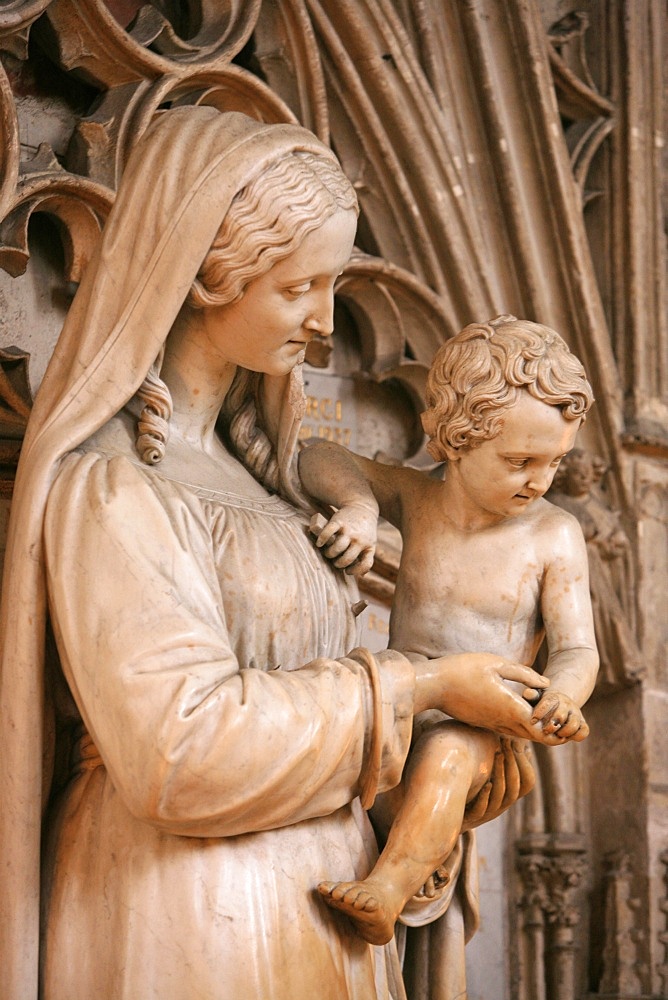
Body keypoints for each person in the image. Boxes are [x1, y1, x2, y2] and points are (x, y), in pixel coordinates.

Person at [0, 111, 552, 1000]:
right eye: (300, 287)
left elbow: (328, 745)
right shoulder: (111, 488)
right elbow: (177, 753)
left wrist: (442, 768)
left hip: (322, 915)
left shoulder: (287, 495)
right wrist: (418, 688)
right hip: (184, 906)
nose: (325, 321)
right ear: (206, 275)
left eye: (333, 285)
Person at [299, 315, 600, 946]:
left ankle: (386, 890)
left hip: (483, 725)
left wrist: (562, 696)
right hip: (398, 708)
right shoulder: (417, 498)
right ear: (457, 439)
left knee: (452, 754)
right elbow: (318, 455)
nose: (540, 481)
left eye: (556, 462)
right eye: (521, 461)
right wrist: (359, 506)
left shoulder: (553, 535)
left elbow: (575, 648)